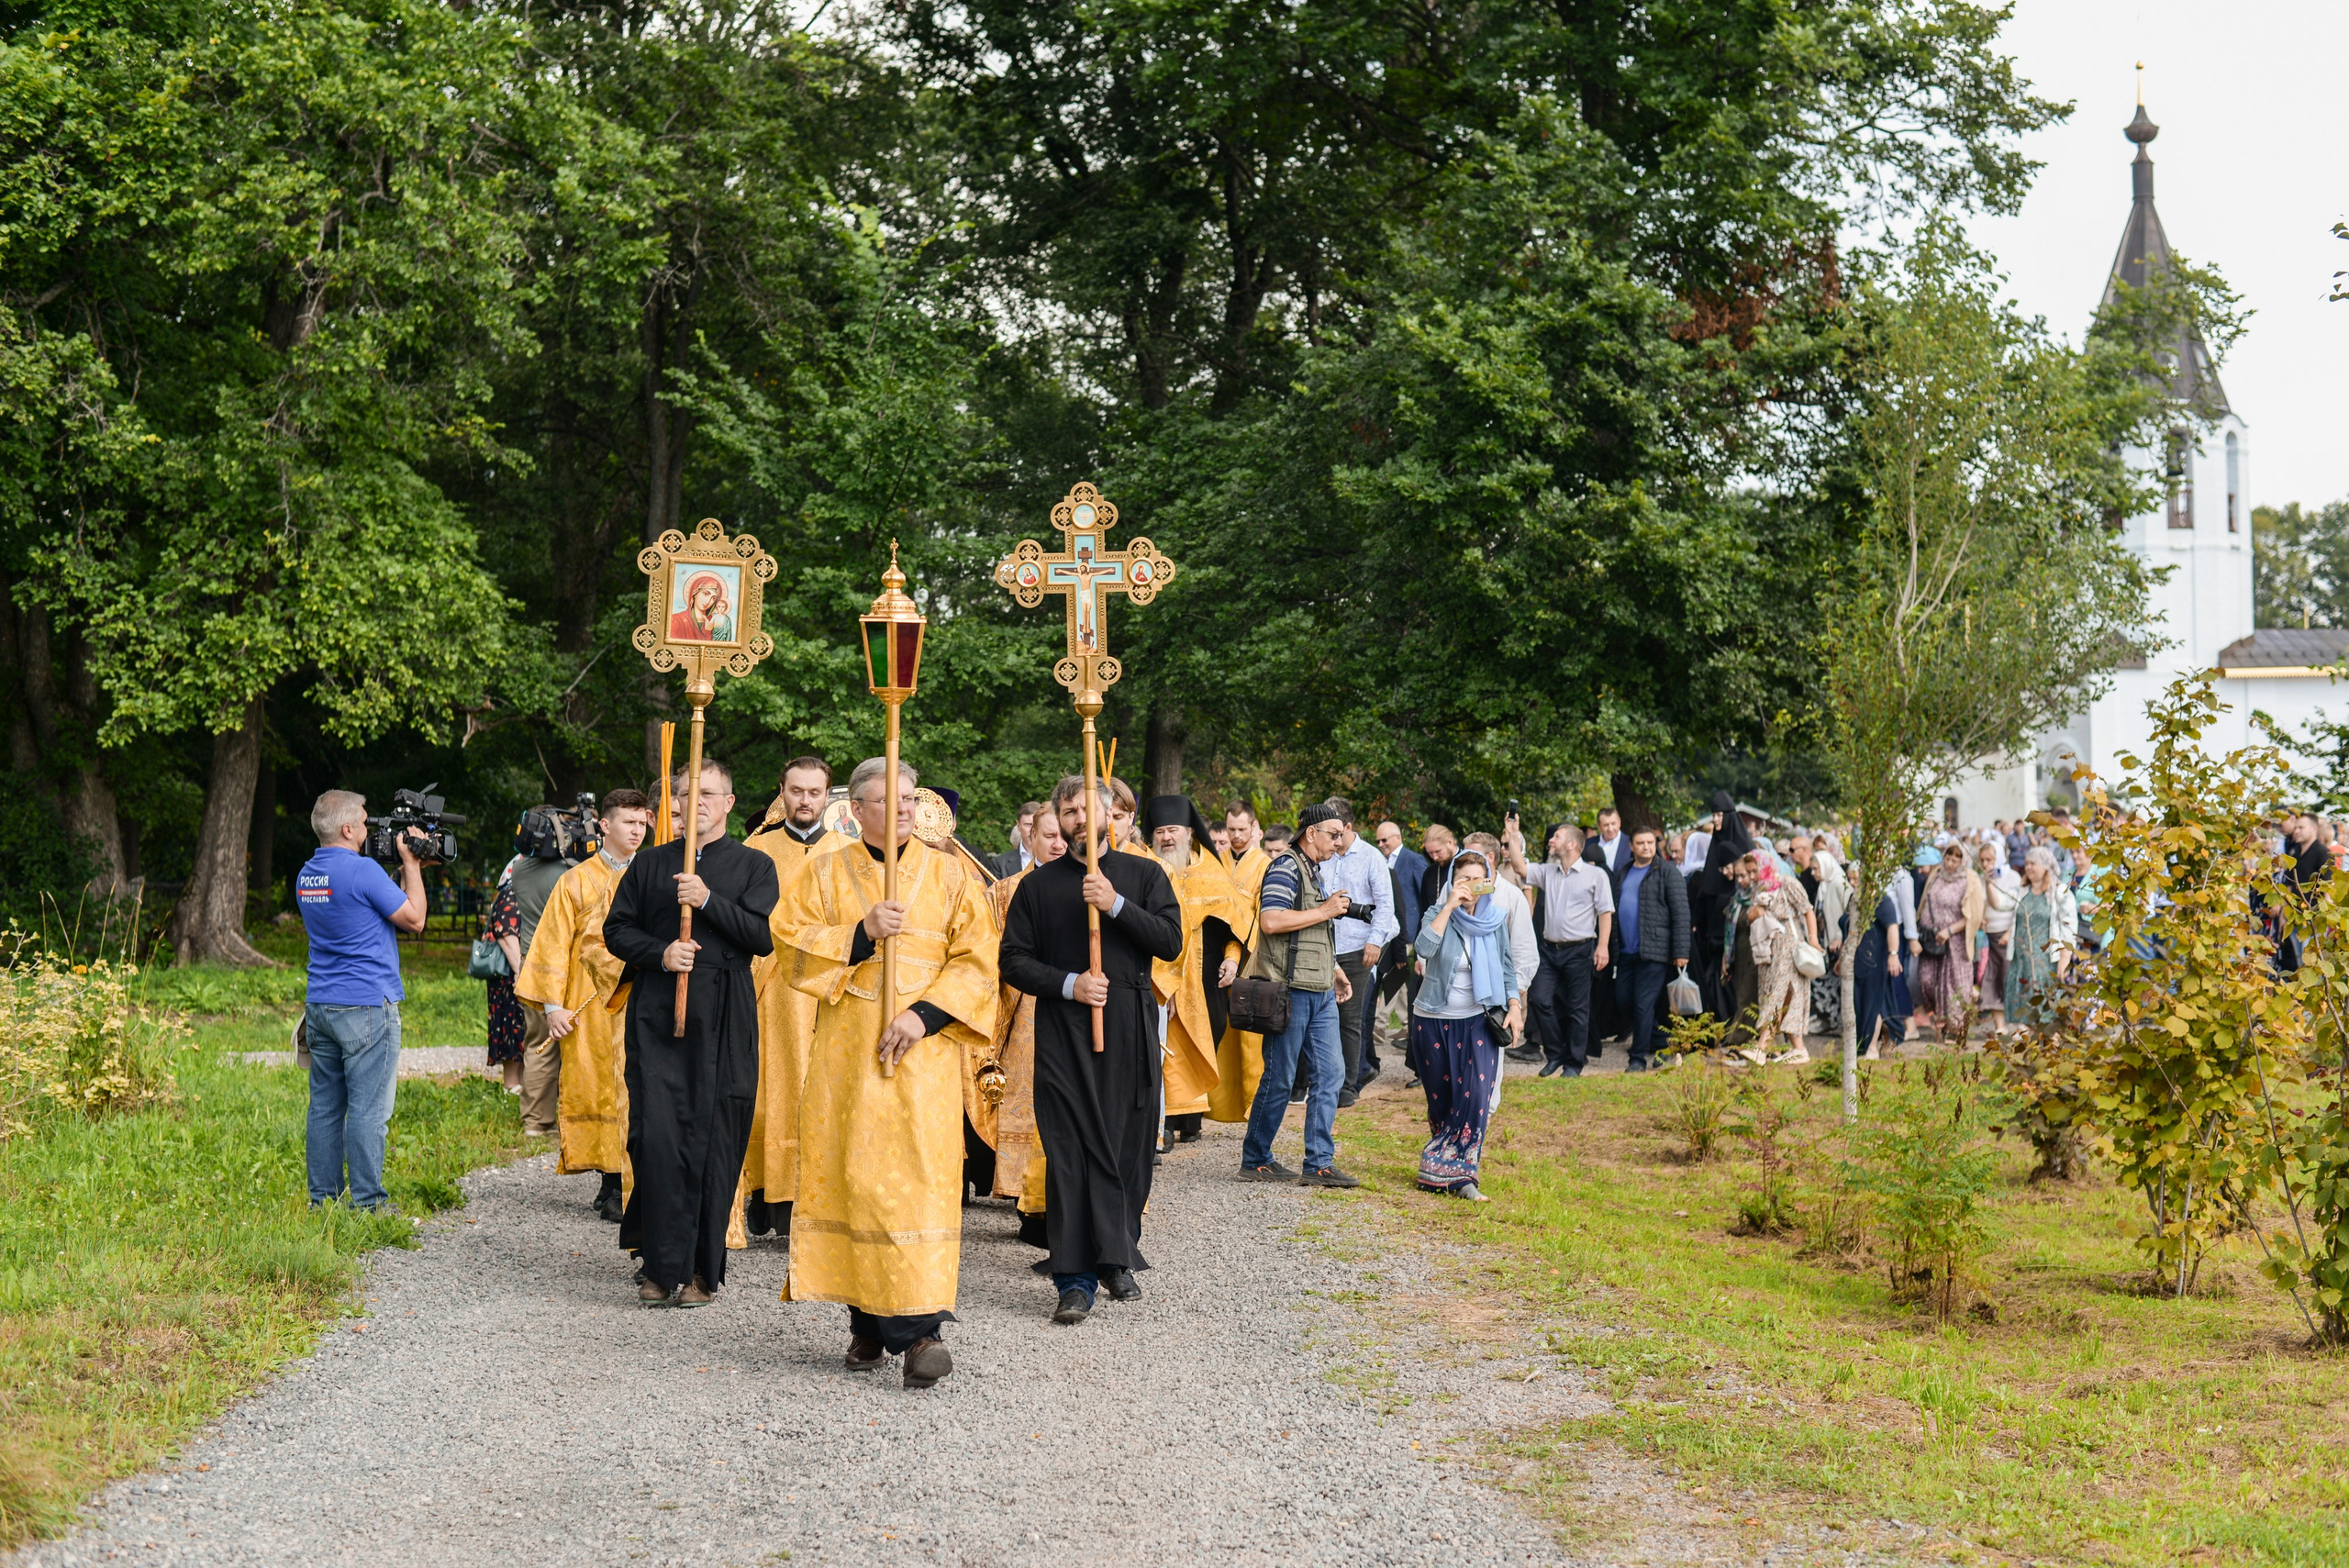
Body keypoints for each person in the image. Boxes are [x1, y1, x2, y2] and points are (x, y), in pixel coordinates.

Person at [774, 757, 999, 1386]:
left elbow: (979, 961)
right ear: (858, 809)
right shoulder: (826, 869)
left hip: (923, 1058)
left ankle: (919, 1330)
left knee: (919, 1182)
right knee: (858, 1179)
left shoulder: (952, 874)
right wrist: (860, 933)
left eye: (910, 797)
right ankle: (870, 1325)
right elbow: (789, 944)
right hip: (849, 1055)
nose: (904, 808)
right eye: (889, 799)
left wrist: (924, 1015)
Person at [999, 779, 1185, 1323]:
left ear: (1109, 814)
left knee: (1126, 1141)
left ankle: (1117, 1254)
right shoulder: (1037, 888)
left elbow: (1171, 941)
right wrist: (1069, 983)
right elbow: (1013, 960)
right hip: (1064, 1030)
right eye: (1068, 810)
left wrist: (1116, 904)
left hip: (1127, 1020)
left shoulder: (1145, 876)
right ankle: (1075, 1278)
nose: (1078, 818)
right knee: (1072, 1149)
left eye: (1086, 808)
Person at [600, 758, 780, 1308]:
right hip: (659, 1014)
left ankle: (703, 1271)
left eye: (707, 793)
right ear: (673, 805)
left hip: (724, 1013)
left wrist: (706, 901)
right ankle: (658, 1266)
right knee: (656, 1138)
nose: (694, 802)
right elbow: (616, 930)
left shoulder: (754, 865)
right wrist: (661, 952)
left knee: (715, 1138)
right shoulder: (651, 864)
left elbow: (760, 936)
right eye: (684, 793)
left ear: (728, 802)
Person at [513, 789, 653, 1223]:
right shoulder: (574, 880)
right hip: (589, 1007)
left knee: (639, 1088)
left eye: (641, 822)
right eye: (627, 822)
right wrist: (553, 1005)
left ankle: (640, 1181)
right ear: (605, 826)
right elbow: (552, 944)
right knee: (599, 1085)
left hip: (643, 1000)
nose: (637, 830)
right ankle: (611, 1182)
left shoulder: (655, 874)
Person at [296, 790, 428, 1212]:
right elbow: (415, 920)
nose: (371, 830)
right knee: (369, 1111)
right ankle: (368, 1204)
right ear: (348, 829)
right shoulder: (364, 870)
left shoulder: (307, 874)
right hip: (367, 1003)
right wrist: (411, 864)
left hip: (320, 1003)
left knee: (325, 1109)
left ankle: (324, 1202)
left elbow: (359, 909)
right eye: (366, 823)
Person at [738, 756, 842, 1237]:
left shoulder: (849, 851)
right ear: (782, 792)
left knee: (821, 1090)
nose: (805, 800)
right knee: (767, 1090)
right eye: (796, 791)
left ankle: (815, 1203)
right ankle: (763, 1195)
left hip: (830, 990)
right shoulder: (754, 848)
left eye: (814, 792)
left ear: (827, 796)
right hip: (769, 989)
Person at [1238, 803, 1358, 1187]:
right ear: (1311, 833)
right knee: (1280, 1077)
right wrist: (1325, 910)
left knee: (1331, 1073)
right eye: (1333, 834)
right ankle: (1256, 1158)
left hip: (1319, 990)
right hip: (1290, 992)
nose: (1339, 841)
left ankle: (1318, 1163)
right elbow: (1271, 921)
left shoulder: (1313, 870)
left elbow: (1310, 934)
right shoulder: (1285, 867)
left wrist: (1335, 971)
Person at [1410, 849, 1520, 1201]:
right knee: (1442, 1102)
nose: (1471, 887)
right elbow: (1424, 949)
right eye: (1464, 880)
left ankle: (1462, 1177)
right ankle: (1439, 1167)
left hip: (1480, 1019)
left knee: (1475, 1098)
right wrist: (1448, 907)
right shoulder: (1437, 913)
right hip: (1433, 1019)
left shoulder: (1496, 918)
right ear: (1452, 883)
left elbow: (1506, 967)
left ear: (1488, 882)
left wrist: (1515, 1006)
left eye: (1478, 879)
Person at [1143, 795, 1248, 1146]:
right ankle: (1166, 1122)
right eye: (1159, 831)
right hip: (1159, 969)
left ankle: (1190, 1118)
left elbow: (1234, 926)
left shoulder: (1212, 871)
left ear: (1189, 832)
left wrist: (1232, 959)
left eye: (1172, 830)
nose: (1166, 837)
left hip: (1206, 976)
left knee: (1208, 1036)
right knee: (1165, 1043)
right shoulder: (1147, 869)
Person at [987, 806, 1066, 1240]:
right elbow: (987, 962)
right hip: (1019, 1016)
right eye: (1048, 836)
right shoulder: (1003, 892)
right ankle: (1027, 1205)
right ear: (1029, 837)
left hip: (1068, 1010)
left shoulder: (1084, 886)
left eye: (1063, 837)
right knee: (1024, 1107)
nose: (1057, 845)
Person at [1506, 820, 1612, 1079]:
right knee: (1540, 1000)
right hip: (1550, 951)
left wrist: (1603, 946)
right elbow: (1519, 866)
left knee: (1578, 1009)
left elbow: (1605, 912)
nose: (1551, 840)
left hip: (1580, 950)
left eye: (1557, 837)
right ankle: (1555, 1054)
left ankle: (1574, 1065)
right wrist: (1513, 834)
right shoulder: (1548, 872)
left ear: (1572, 844)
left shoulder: (1595, 875)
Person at [505, 809, 584, 1138]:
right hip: (563, 965)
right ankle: (575, 1120)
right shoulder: (570, 872)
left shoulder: (519, 868)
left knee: (538, 1043)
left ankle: (535, 1121)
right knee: (574, 1044)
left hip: (530, 964)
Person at [1313, 798, 1397, 1103]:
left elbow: (1386, 904)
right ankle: (1322, 1081)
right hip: (1323, 947)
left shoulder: (1372, 857)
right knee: (1320, 1018)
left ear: (1348, 827)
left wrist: (1375, 940)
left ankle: (1347, 1086)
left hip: (1356, 949)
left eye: (1336, 831)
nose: (1332, 838)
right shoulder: (1322, 855)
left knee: (1350, 1020)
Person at [1209, 801, 1276, 1124]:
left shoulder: (1265, 865)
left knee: (1250, 1035)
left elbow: (1258, 916)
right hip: (1213, 953)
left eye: (1241, 830)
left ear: (1254, 829)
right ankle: (1218, 1104)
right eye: (1231, 829)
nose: (1236, 836)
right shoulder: (1215, 861)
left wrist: (1234, 955)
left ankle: (1253, 1105)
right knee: (1219, 1032)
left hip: (1250, 957)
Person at [1611, 828, 1688, 1072]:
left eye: (1650, 842)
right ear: (1631, 846)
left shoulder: (1667, 871)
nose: (1646, 846)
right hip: (1625, 951)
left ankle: (1637, 1059)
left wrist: (1681, 950)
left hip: (1655, 951)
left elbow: (1681, 913)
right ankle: (1664, 1045)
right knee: (1625, 1001)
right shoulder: (1623, 872)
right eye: (1640, 843)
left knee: (1643, 1004)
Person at [1730, 848, 1812, 1064]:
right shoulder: (1760, 890)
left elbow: (1807, 910)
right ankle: (1799, 1049)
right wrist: (1753, 915)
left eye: (1755, 870)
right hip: (1768, 951)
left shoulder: (1786, 883)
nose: (1753, 875)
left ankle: (1761, 1048)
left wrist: (1813, 939)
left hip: (1787, 948)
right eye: (1749, 871)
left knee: (1778, 995)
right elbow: (1752, 919)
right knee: (1783, 998)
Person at [1688, 790, 1753, 1023]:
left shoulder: (1746, 848)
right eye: (1713, 815)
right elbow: (1707, 888)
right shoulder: (1715, 847)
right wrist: (1696, 920)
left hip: (1737, 934)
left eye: (1719, 815)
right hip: (1712, 933)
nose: (1715, 820)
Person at [1911, 840, 1984, 1042]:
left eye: (1955, 860)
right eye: (1948, 858)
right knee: (1926, 980)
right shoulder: (1936, 874)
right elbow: (1925, 901)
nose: (1950, 864)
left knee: (1954, 984)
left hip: (1956, 942)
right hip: (1930, 938)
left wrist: (1950, 930)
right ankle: (1938, 1015)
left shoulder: (1970, 880)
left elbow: (1975, 915)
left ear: (1963, 861)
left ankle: (1955, 1028)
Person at [2005, 846, 2077, 1024]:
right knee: (2023, 1006)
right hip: (2022, 959)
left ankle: (2050, 1045)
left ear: (2045, 866)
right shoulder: (2022, 891)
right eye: (2027, 863)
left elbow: (2069, 926)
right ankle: (2026, 1044)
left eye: (2033, 863)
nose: (2028, 867)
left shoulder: (2060, 892)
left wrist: (2065, 956)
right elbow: (2001, 904)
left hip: (2046, 961)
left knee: (2047, 1010)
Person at [1375, 818, 1430, 1020]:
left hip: (1407, 928)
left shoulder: (1413, 859)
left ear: (1398, 838)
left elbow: (1424, 893)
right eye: (1378, 841)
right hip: (1387, 926)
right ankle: (1406, 1022)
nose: (1381, 845)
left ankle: (1380, 1025)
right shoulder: (1379, 860)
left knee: (1393, 974)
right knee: (1396, 973)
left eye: (1384, 840)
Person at [483, 879, 527, 1092]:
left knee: (521, 1029)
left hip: (513, 975)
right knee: (512, 1028)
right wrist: (520, 971)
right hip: (509, 978)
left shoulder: (517, 892)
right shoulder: (511, 893)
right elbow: (505, 933)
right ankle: (511, 1084)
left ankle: (520, 1084)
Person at [1976, 839, 2021, 1036]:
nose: (1986, 864)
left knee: (2009, 978)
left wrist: (2010, 931)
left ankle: (2020, 1025)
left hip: (2006, 935)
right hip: (1989, 936)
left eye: (1990, 860)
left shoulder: (2012, 877)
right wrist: (1980, 919)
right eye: (1983, 860)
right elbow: (1982, 904)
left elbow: (2004, 905)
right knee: (1991, 978)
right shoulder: (1981, 878)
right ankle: (2000, 1026)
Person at [1808, 845, 1853, 1040]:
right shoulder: (1824, 885)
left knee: (1834, 984)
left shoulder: (1838, 883)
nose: (1813, 873)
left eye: (1816, 869)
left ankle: (1838, 1022)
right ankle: (1829, 1020)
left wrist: (1840, 937)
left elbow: (1847, 913)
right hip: (1828, 942)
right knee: (1826, 985)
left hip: (1837, 942)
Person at [669, 572, 734, 641]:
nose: (708, 601)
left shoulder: (716, 621)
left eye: (713, 598)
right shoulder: (677, 621)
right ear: (694, 593)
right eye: (705, 594)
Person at [992, 801, 1044, 879]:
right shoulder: (1000, 864)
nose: (1033, 830)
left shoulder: (1056, 858)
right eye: (1028, 825)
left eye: (1036, 825)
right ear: (1018, 826)